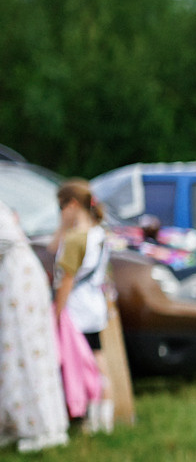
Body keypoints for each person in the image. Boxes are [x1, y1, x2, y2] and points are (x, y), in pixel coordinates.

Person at [0, 207, 69, 453]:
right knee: (10, 358)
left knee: (29, 353)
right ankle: (14, 423)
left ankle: (42, 426)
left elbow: (5, 239)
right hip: (11, 285)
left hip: (19, 285)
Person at [50, 181, 113, 434]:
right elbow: (54, 248)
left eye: (61, 208)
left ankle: (89, 417)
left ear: (72, 205)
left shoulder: (76, 239)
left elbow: (65, 281)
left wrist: (55, 313)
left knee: (82, 364)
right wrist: (64, 226)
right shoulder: (98, 232)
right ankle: (103, 418)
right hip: (94, 304)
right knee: (97, 358)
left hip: (76, 309)